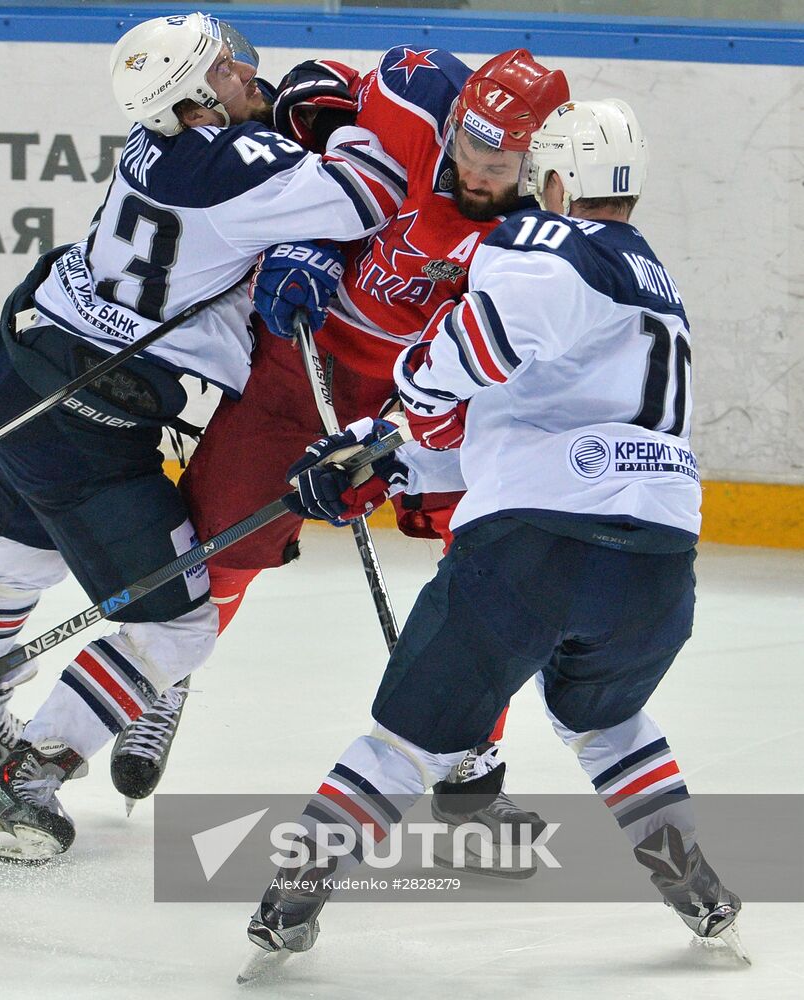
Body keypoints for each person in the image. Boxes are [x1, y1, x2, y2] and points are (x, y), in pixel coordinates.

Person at [241, 98, 746, 974]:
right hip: (660, 563)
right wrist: (392, 461)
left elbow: (484, 348)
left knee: (407, 743)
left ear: (558, 182)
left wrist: (406, 395)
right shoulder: (656, 284)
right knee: (608, 723)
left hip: (534, 549)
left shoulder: (549, 241)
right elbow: (530, 419)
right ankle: (693, 884)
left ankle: (293, 899)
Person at [0, 12, 399, 862]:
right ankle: (21, 793)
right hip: (87, 421)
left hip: (16, 366)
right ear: (198, 102)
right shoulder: (238, 165)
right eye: (227, 69)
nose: (247, 72)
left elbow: (249, 185)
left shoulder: (152, 140)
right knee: (179, 628)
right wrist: (346, 122)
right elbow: (369, 194)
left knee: (22, 549)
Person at [114, 45, 571, 856]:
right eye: (466, 146)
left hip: (434, 399)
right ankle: (162, 679)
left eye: (497, 164)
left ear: (537, 163)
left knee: (490, 569)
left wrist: (410, 432)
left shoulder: (549, 237)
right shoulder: (415, 91)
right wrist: (311, 237)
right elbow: (306, 100)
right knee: (223, 535)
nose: (472, 169)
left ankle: (466, 750)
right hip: (308, 351)